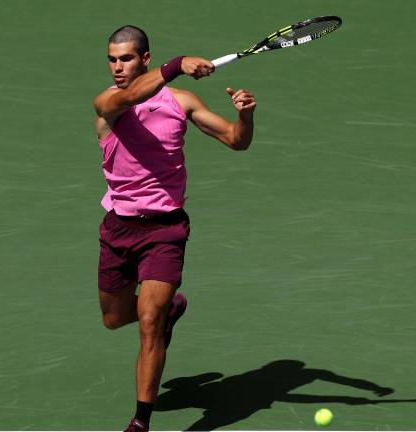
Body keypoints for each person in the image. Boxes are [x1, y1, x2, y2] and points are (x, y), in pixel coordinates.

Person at [94, 24, 256, 432]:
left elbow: (236, 141)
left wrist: (245, 116)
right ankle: (171, 310)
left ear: (144, 59)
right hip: (118, 228)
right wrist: (178, 63)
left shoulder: (181, 102)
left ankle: (140, 422)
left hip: (165, 230)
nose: (117, 67)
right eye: (112, 60)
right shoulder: (108, 103)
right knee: (114, 318)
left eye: (126, 58)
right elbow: (131, 97)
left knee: (149, 322)